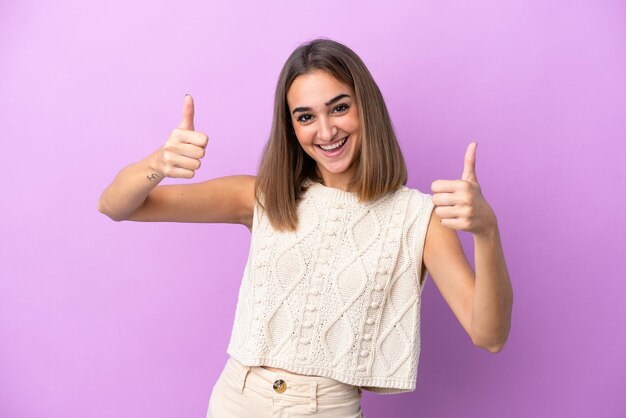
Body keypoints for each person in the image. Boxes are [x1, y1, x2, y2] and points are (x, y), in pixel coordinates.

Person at [98, 38, 512, 418]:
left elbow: (489, 335)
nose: (326, 131)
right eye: (305, 116)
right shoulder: (262, 196)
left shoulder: (417, 218)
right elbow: (117, 206)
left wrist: (486, 232)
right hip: (235, 400)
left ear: (365, 106)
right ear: (292, 127)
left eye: (339, 107)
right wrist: (156, 165)